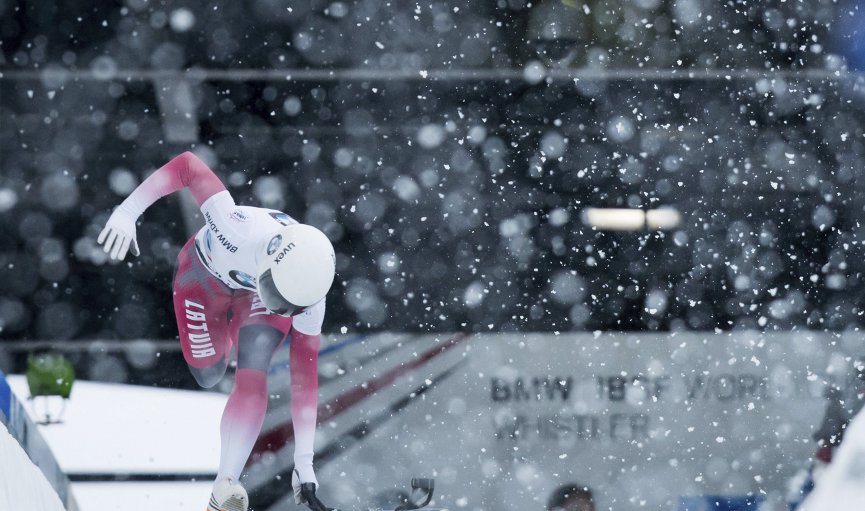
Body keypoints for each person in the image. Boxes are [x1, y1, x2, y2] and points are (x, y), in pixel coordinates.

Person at [97, 151, 336, 511]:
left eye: (287, 306)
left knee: (254, 369)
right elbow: (188, 165)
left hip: (245, 292)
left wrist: (305, 461)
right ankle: (225, 342)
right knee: (208, 373)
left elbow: (305, 375)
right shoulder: (235, 226)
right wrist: (129, 211)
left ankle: (225, 483)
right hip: (202, 275)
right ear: (270, 257)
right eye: (276, 296)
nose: (278, 307)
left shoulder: (309, 298)